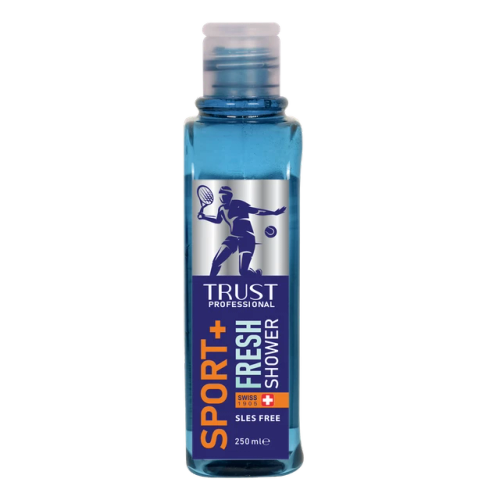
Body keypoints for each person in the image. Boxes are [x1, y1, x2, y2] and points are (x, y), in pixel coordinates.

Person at [199, 186, 286, 276]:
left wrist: (274, 213)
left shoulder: (238, 204)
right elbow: (218, 220)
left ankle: (256, 275)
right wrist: (205, 217)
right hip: (232, 238)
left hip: (247, 238)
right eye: (221, 196)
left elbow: (256, 211)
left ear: (230, 196)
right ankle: (210, 281)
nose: (223, 198)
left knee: (243, 272)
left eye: (225, 196)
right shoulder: (221, 209)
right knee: (216, 262)